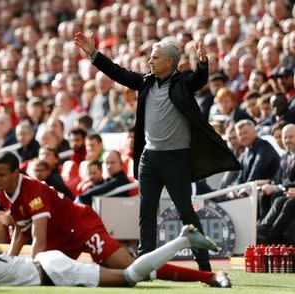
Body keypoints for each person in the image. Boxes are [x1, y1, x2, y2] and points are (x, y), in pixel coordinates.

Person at [74, 32, 240, 271]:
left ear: (170, 63)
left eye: (155, 58)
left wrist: (203, 64)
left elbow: (199, 80)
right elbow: (117, 73)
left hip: (176, 158)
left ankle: (204, 266)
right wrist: (93, 54)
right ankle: (145, 265)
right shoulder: (146, 82)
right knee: (146, 214)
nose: (150, 61)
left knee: (186, 213)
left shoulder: (182, 82)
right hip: (149, 158)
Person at [0, 151, 230, 288]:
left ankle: (207, 276)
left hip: (81, 226)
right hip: (61, 236)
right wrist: (7, 266)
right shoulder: (3, 193)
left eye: (1, 174)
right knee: (52, 279)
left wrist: (25, 270)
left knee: (131, 270)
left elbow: (38, 238)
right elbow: (21, 231)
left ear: (15, 173)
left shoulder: (33, 192)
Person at [0, 224, 220, 287]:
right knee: (130, 276)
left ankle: (181, 240)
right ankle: (180, 242)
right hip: (48, 263)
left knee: (130, 278)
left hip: (53, 273)